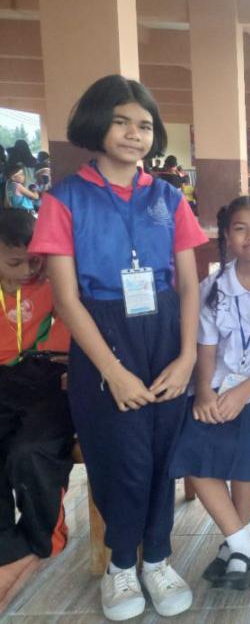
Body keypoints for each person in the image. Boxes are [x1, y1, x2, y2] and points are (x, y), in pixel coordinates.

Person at [29, 74, 208, 620]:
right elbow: (66, 300)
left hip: (164, 333)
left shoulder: (168, 197)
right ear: (97, 125)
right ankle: (121, 565)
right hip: (102, 338)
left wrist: (187, 357)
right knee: (121, 459)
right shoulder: (64, 199)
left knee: (161, 455)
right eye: (121, 122)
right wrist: (113, 371)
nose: (135, 134)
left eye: (145, 125)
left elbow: (189, 285)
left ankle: (157, 558)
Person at [169, 195, 250, 592]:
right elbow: (206, 347)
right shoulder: (212, 287)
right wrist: (204, 393)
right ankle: (242, 545)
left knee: (247, 444)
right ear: (227, 235)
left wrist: (243, 393)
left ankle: (236, 547)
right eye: (240, 228)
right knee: (191, 446)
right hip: (218, 380)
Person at [0, 209, 73, 611]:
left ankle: (43, 538)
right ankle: (5, 543)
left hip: (51, 376)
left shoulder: (57, 281)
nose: (28, 270)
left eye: (34, 260)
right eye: (15, 263)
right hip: (4, 380)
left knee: (30, 452)